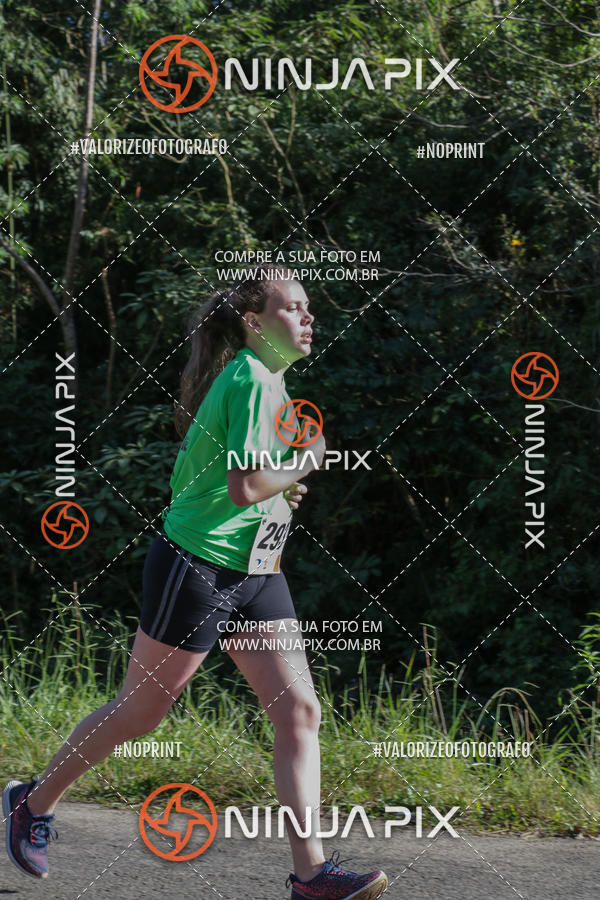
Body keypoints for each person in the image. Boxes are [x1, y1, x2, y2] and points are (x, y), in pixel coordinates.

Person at [3, 266, 387, 900]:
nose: (308, 317)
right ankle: (32, 802)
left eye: (308, 307)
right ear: (254, 322)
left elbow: (242, 482)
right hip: (198, 566)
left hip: (256, 571)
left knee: (298, 711)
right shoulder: (251, 379)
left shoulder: (269, 381)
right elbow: (243, 486)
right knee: (142, 712)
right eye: (293, 307)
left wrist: (284, 488)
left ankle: (312, 877)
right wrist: (304, 462)